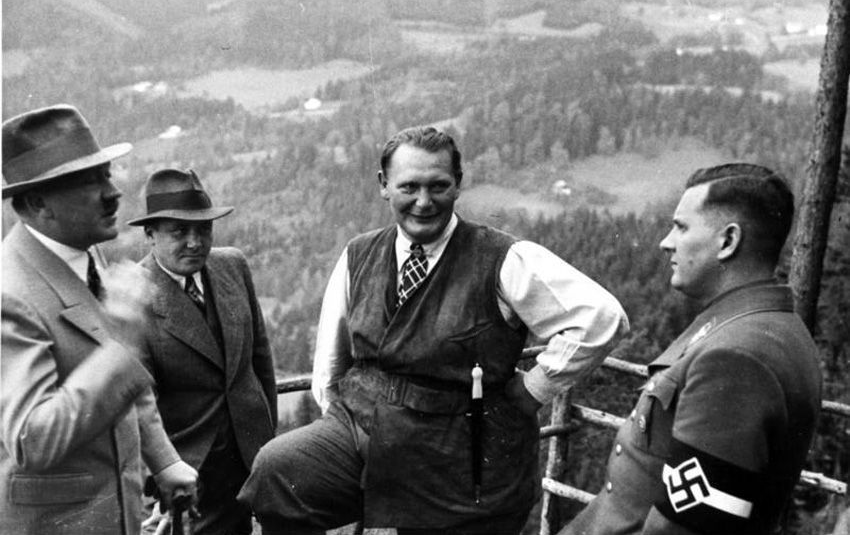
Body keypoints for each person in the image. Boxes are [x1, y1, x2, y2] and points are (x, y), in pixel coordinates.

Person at [239, 126, 629, 534]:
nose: (424, 202)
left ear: (457, 185)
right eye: (409, 187)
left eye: (438, 186)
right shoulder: (359, 254)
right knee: (278, 471)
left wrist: (534, 389)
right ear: (383, 186)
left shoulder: (503, 258)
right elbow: (331, 361)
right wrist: (340, 419)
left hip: (459, 445)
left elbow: (601, 317)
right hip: (364, 427)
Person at [560, 163, 822, 535]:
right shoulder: (755, 328)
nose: (666, 241)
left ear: (728, 241)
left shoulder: (736, 357)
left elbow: (685, 529)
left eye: (681, 227)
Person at [1, 104, 198, 534]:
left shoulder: (81, 250)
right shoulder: (9, 294)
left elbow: (122, 381)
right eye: (88, 183)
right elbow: (31, 439)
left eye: (105, 174)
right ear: (38, 203)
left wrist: (162, 460)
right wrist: (123, 345)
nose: (112, 193)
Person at [127, 168, 278, 535]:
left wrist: (268, 440)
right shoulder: (132, 296)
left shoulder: (232, 265)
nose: (195, 242)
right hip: (189, 475)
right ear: (150, 234)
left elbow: (261, 361)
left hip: (253, 457)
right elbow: (136, 405)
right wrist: (158, 480)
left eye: (203, 230)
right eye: (179, 232)